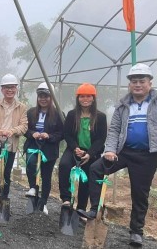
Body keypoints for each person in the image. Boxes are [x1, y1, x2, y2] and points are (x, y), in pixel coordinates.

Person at [77, 64, 157, 246]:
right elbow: (113, 130)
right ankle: (94, 209)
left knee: (140, 194)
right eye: (134, 82)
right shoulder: (122, 106)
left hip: (147, 155)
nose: (137, 85)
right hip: (123, 152)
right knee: (96, 168)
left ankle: (136, 231)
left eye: (141, 81)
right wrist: (110, 150)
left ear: (149, 83)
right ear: (129, 85)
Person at [58, 83, 107, 212]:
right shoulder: (72, 115)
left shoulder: (100, 117)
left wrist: (89, 153)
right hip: (74, 149)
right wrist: (75, 148)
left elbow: (101, 139)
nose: (85, 99)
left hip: (91, 152)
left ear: (93, 98)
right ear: (78, 98)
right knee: (64, 165)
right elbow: (67, 134)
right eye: (82, 96)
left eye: (88, 96)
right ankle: (66, 199)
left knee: (86, 178)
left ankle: (81, 209)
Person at [0, 73, 28, 198]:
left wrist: (12, 131)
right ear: (2, 89)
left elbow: (24, 126)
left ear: (16, 89)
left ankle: (4, 196)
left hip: (11, 142)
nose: (10, 90)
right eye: (7, 87)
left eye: (12, 87)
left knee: (7, 171)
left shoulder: (21, 107)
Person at [23, 82, 64, 215]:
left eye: (46, 96)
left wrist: (49, 136)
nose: (43, 99)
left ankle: (43, 202)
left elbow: (62, 133)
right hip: (33, 146)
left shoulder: (58, 114)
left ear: (51, 97)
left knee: (46, 176)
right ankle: (33, 189)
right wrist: (32, 133)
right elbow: (25, 129)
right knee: (31, 163)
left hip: (49, 148)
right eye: (41, 96)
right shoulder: (31, 113)